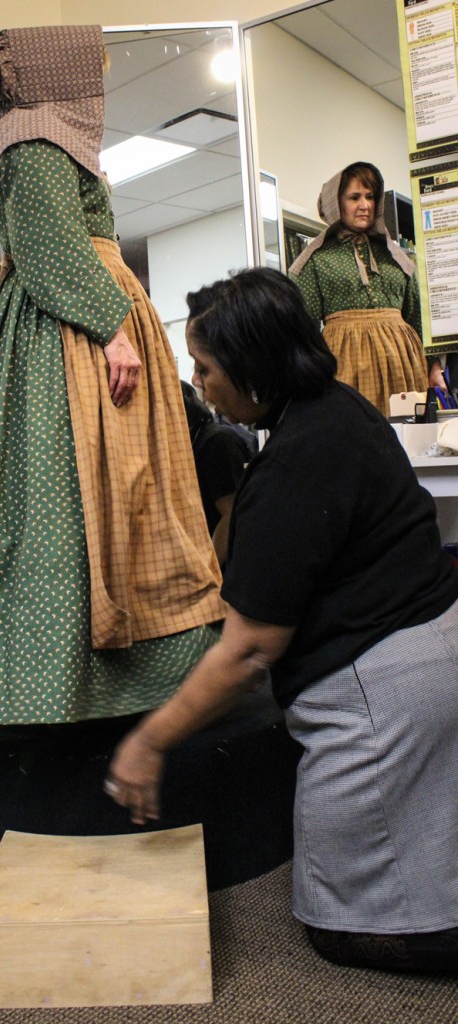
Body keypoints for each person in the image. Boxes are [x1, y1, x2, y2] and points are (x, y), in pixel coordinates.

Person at [105, 267, 458, 975]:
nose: (199, 383)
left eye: (206, 368)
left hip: (382, 690)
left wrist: (148, 742)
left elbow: (248, 652)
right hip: (431, 649)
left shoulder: (294, 463)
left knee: (342, 924)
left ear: (253, 366)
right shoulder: (338, 409)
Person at [0, 25, 224, 726]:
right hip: (70, 336)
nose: (97, 79)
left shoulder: (44, 139)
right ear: (53, 69)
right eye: (89, 65)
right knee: (81, 490)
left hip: (81, 322)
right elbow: (49, 245)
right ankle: (68, 677)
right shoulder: (32, 139)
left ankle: (140, 659)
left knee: (122, 491)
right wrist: (110, 330)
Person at [289, 160, 446, 415]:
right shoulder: (316, 260)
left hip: (403, 364)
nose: (365, 205)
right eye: (355, 197)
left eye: (370, 197)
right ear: (336, 204)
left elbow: (417, 317)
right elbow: (303, 330)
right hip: (346, 366)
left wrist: (433, 366)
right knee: (354, 430)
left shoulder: (396, 256)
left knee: (406, 431)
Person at [180, 380, 256, 566]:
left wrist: (208, 569)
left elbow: (230, 515)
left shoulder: (216, 441)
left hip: (228, 565)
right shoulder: (195, 441)